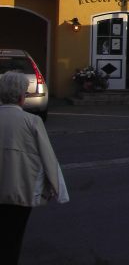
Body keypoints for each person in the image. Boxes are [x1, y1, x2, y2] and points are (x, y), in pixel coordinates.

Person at [0, 71, 69, 265]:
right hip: (20, 192)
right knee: (13, 238)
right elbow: (48, 157)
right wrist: (56, 188)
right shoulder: (32, 121)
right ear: (22, 96)